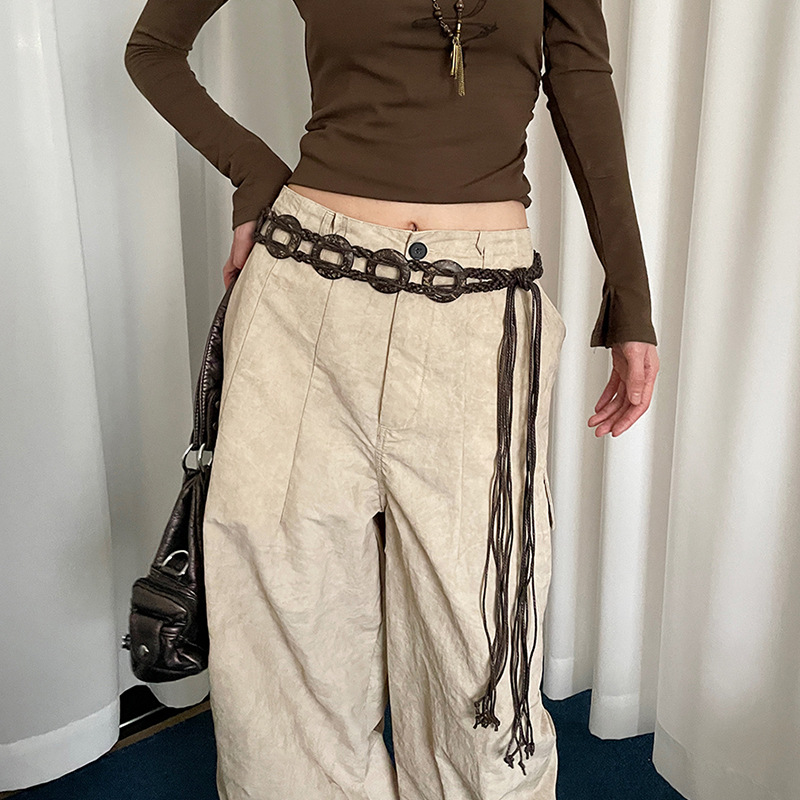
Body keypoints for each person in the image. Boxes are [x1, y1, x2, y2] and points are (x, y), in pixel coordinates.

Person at [124, 0, 659, 798]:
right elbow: (153, 47)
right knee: (289, 621)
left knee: (479, 638)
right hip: (302, 295)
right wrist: (255, 173)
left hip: (479, 312)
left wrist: (631, 301)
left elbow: (581, 77)